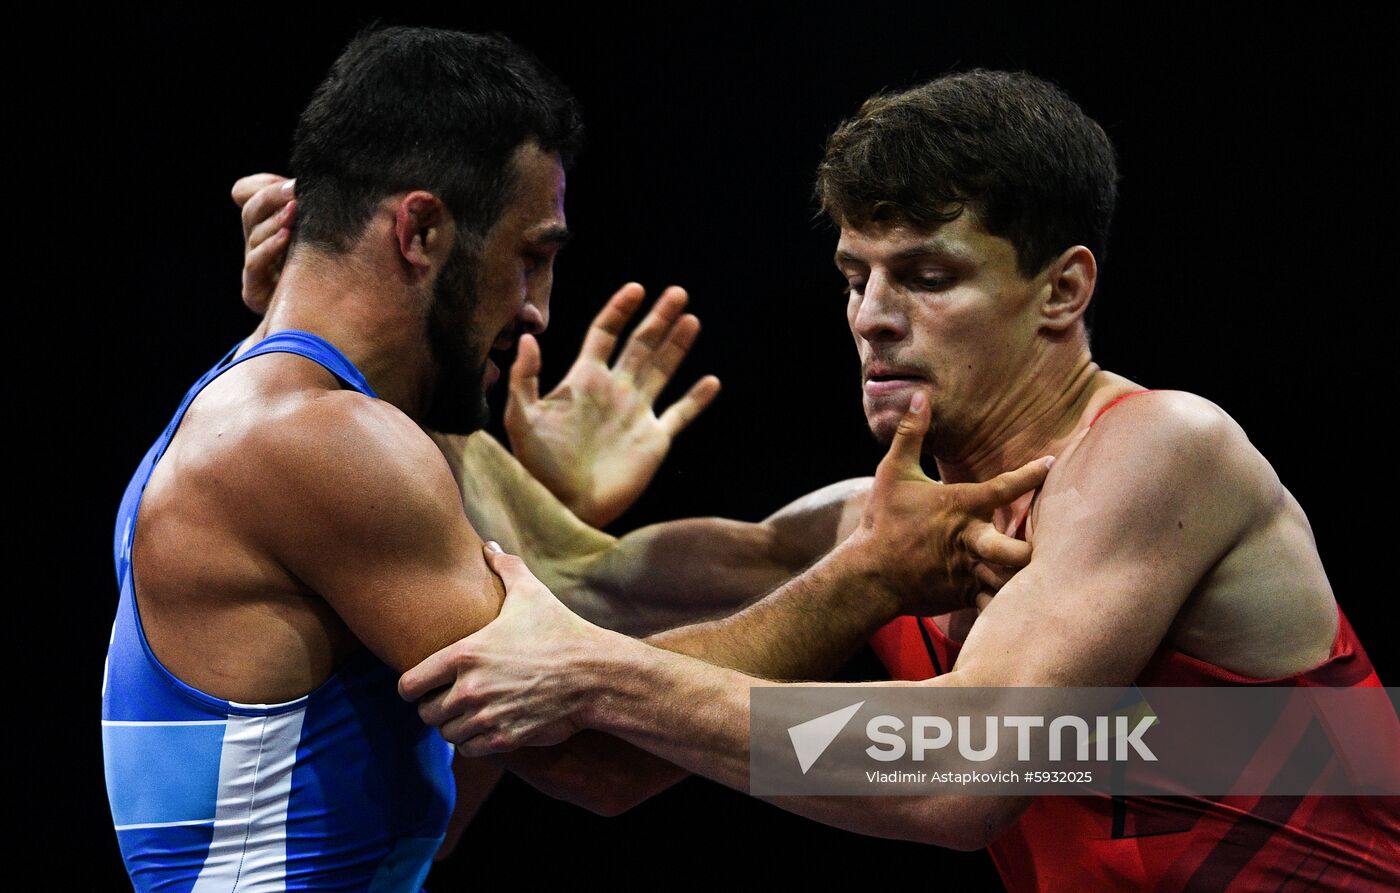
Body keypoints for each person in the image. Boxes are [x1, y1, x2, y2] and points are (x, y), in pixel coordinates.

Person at [400, 70, 1400, 890]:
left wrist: (606, 672)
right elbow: (592, 580)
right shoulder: (878, 526)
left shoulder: (1163, 449)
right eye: (853, 277)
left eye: (925, 277)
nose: (871, 316)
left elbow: (965, 779)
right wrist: (386, 350)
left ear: (1062, 289)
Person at [103, 28, 1047, 891]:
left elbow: (597, 597)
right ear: (422, 232)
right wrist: (868, 577)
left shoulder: (324, 427)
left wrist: (549, 506)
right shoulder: (316, 442)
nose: (538, 311)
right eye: (532, 256)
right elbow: (599, 761)